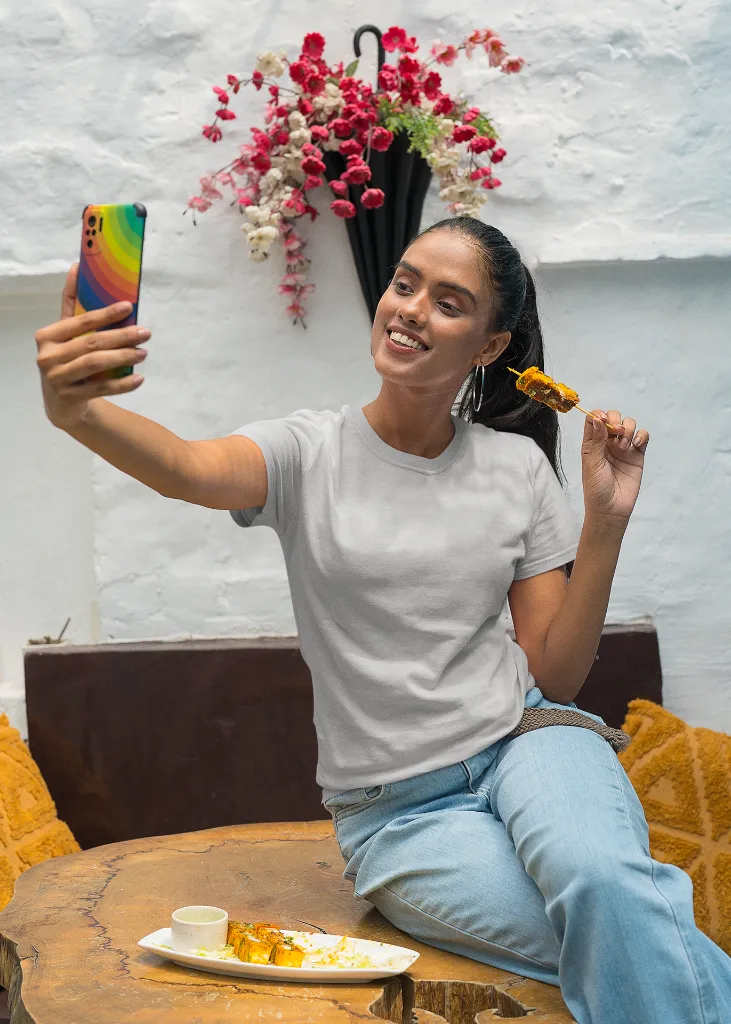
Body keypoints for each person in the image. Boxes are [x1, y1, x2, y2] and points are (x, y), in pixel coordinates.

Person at [34, 217, 730, 1023]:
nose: (408, 309)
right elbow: (186, 467)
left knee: (608, 889)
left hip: (532, 742)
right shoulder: (304, 454)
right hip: (400, 816)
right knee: (631, 928)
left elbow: (557, 675)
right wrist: (75, 413)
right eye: (404, 284)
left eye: (447, 301)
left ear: (489, 344)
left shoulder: (517, 468)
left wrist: (602, 527)